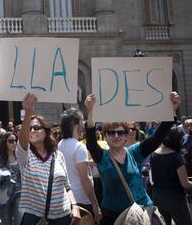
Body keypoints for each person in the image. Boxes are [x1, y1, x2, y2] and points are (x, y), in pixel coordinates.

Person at [84, 92, 180, 225]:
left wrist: (172, 109)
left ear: (126, 134)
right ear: (105, 136)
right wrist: (91, 111)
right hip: (113, 217)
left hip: (141, 214)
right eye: (111, 133)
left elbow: (157, 138)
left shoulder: (135, 152)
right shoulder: (102, 157)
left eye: (120, 132)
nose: (116, 136)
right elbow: (90, 142)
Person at [17, 93, 81, 225]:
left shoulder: (58, 155)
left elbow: (67, 186)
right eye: (29, 128)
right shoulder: (25, 155)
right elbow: (22, 142)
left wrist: (74, 206)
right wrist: (28, 113)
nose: (32, 131)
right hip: (35, 219)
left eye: (36, 128)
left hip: (63, 216)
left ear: (46, 131)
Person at [58, 108, 102, 222]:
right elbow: (84, 178)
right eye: (82, 120)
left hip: (65, 199)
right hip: (81, 201)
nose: (84, 122)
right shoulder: (79, 147)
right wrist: (95, 204)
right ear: (75, 124)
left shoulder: (59, 145)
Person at [150, 126, 192, 225]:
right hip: (175, 199)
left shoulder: (154, 154)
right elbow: (185, 184)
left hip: (157, 197)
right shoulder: (176, 157)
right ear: (176, 140)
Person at [0, 132, 22, 225]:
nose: (14, 143)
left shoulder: (20, 157)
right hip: (3, 194)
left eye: (15, 141)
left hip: (18, 192)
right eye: (11, 141)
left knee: (19, 220)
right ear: (4, 143)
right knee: (6, 222)